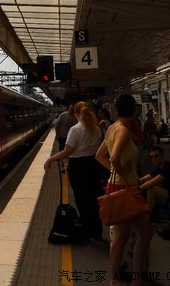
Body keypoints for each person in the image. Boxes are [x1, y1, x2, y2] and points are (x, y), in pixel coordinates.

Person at [95, 93, 153, 286]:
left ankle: (119, 279)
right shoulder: (123, 131)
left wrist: (114, 170)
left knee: (123, 236)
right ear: (134, 111)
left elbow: (99, 155)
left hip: (118, 186)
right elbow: (113, 157)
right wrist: (121, 171)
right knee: (144, 233)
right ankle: (131, 279)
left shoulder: (112, 128)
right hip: (126, 189)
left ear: (117, 110)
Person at [45, 101, 105, 240]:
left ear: (77, 114)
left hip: (79, 168)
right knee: (95, 197)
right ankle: (97, 230)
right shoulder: (96, 129)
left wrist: (50, 159)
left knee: (82, 198)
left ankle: (86, 229)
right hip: (94, 165)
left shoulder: (76, 129)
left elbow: (67, 151)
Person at [139, 146, 170, 214]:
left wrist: (136, 189)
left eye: (156, 156)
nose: (154, 159)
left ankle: (147, 216)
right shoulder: (159, 168)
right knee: (147, 190)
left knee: (151, 190)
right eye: (151, 157)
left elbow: (150, 183)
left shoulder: (168, 168)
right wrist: (134, 183)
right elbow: (144, 179)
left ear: (163, 156)